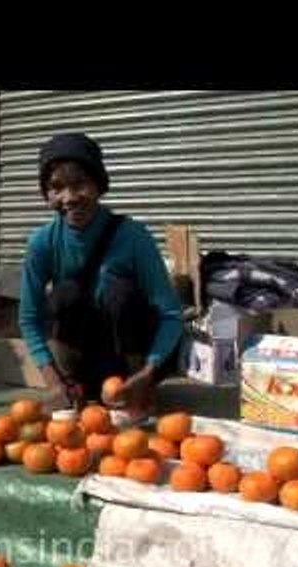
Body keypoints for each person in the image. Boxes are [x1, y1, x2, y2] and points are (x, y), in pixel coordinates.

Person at [18, 133, 183, 413]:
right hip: (85, 361)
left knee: (117, 289)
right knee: (64, 294)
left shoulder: (133, 237)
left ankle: (138, 393)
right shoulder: (42, 243)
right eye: (56, 187)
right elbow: (29, 318)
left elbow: (170, 314)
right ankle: (77, 386)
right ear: (46, 193)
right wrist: (53, 382)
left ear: (98, 185)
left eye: (80, 184)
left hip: (133, 365)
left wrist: (148, 372)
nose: (69, 198)